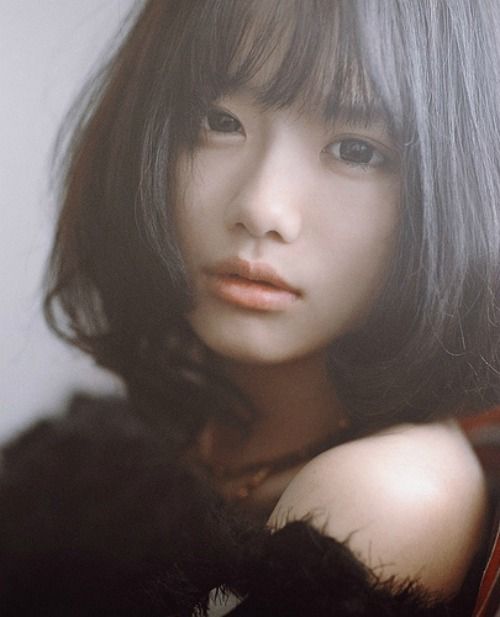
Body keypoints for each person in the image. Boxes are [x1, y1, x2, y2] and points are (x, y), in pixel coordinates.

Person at [2, 0, 500, 614]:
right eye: (219, 121)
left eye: (355, 150)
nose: (261, 208)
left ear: (450, 189)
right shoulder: (150, 442)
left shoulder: (389, 490)